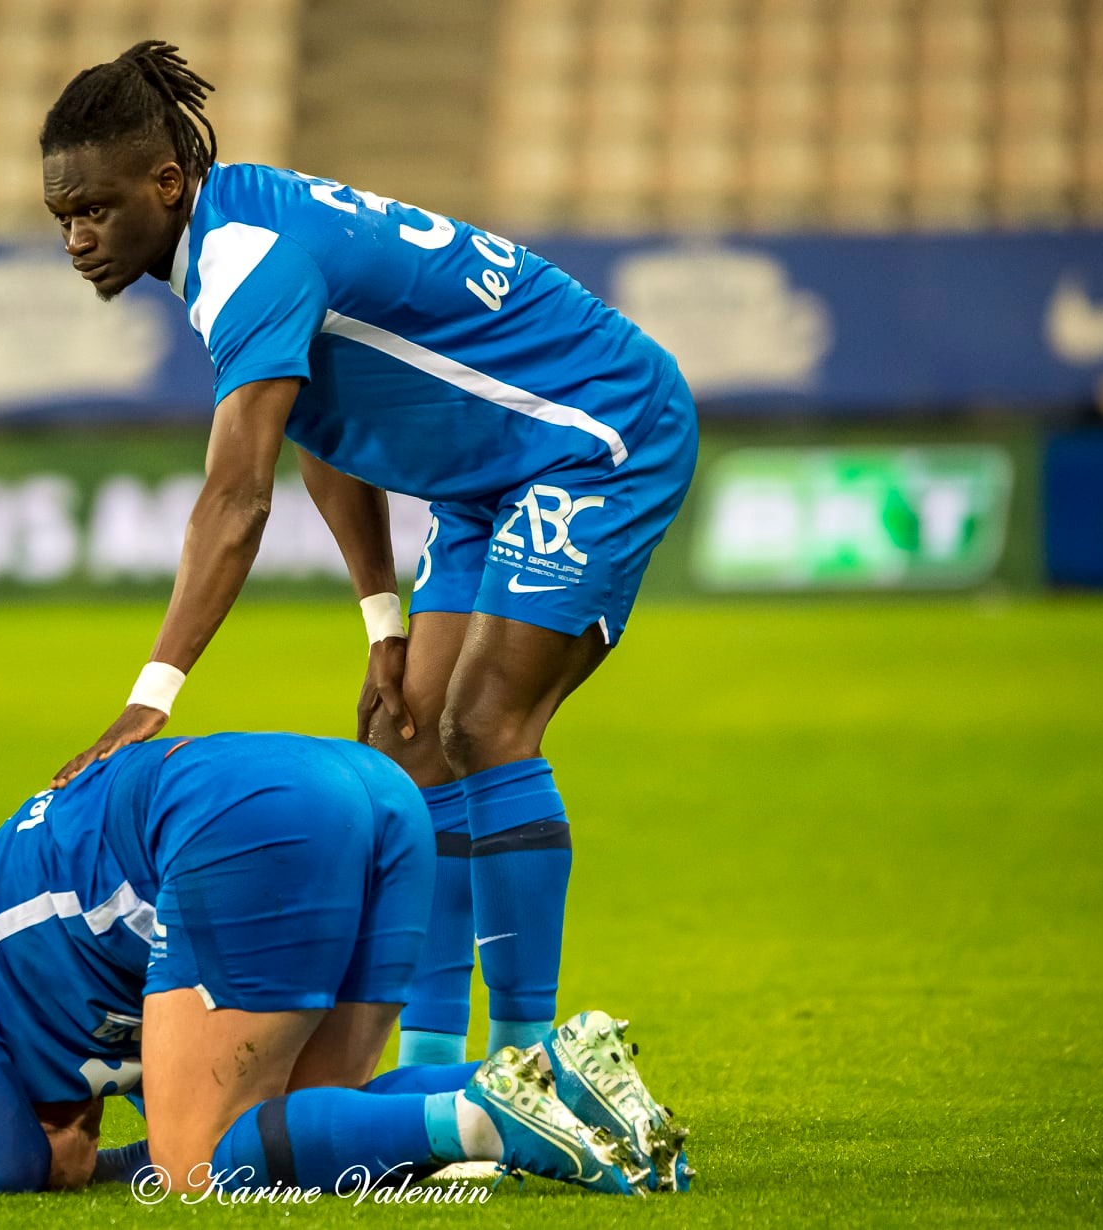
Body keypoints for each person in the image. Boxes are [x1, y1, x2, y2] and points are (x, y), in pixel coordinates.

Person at [40, 43, 700, 1068]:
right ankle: (441, 1075)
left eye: (95, 209)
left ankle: (529, 1067)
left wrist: (153, 695)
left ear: (165, 183)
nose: (78, 238)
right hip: (490, 476)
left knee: (483, 723)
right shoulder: (232, 231)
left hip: (595, 430)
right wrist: (382, 623)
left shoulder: (246, 257)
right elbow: (327, 431)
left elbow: (235, 497)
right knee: (409, 744)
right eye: (63, 218)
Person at [0, 731, 685, 1195]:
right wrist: (105, 1162)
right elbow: (96, 1145)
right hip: (374, 792)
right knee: (313, 1120)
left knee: (197, 1166)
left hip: (249, 817)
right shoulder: (50, 988)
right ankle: (559, 1078)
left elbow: (10, 1159)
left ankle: (489, 1123)